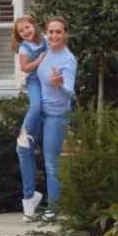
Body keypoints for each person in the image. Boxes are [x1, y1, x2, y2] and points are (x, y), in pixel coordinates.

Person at [17, 16, 77, 223]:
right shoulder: (46, 51)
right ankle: (30, 197)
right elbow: (29, 67)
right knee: (23, 149)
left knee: (51, 163)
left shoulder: (67, 59)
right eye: (51, 32)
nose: (54, 36)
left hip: (56, 115)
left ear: (65, 34)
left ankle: (54, 208)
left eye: (58, 32)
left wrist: (59, 84)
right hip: (40, 112)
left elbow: (70, 93)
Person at [12, 15, 47, 150]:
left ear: (34, 26)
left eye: (27, 27)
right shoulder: (24, 48)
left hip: (47, 79)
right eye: (21, 31)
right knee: (36, 106)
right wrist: (38, 60)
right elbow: (25, 67)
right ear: (19, 35)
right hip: (34, 80)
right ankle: (24, 133)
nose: (26, 31)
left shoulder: (44, 40)